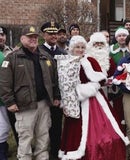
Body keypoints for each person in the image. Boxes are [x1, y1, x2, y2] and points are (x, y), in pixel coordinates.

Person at [57, 35, 129, 160]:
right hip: (75, 103)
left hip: (95, 100)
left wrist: (89, 88)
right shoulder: (65, 62)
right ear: (72, 48)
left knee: (107, 132)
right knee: (76, 132)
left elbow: (101, 79)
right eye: (77, 47)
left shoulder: (91, 60)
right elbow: (63, 83)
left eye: (82, 47)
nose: (80, 50)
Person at [0, 25, 61, 160]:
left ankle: (42, 157)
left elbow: (54, 79)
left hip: (44, 104)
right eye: (30, 37)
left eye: (35, 37)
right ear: (22, 39)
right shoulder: (12, 58)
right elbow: (4, 83)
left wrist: (56, 96)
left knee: (43, 136)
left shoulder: (45, 57)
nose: (33, 39)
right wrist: (9, 102)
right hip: (24, 106)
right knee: (25, 137)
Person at [39, 21, 67, 159]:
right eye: (50, 33)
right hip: (43, 97)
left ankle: (55, 152)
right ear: (44, 35)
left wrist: (59, 96)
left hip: (57, 97)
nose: (54, 36)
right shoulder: (38, 51)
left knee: (56, 127)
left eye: (55, 33)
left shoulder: (62, 53)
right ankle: (42, 152)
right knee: (42, 128)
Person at [0, 26, 18, 150]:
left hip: (10, 95)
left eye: (2, 35)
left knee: (14, 123)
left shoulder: (10, 51)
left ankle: (20, 146)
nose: (0, 37)